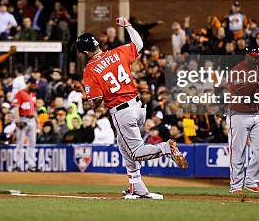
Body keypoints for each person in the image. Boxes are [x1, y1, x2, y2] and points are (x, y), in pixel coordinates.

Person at [78, 17, 187, 200]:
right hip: (137, 107)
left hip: (122, 111)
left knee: (135, 151)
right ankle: (137, 188)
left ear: (86, 51)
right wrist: (127, 25)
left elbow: (96, 101)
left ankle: (166, 148)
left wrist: (87, 98)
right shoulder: (117, 52)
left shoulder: (90, 69)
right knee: (124, 147)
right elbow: (138, 43)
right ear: (97, 44)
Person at [227, 46, 259, 193]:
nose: (257, 58)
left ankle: (251, 181)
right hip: (238, 114)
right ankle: (236, 186)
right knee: (238, 151)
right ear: (247, 55)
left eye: (258, 56)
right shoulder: (237, 70)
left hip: (256, 113)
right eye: (254, 56)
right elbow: (242, 90)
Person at [12, 77, 39, 172]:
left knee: (32, 144)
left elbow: (34, 109)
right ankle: (18, 165)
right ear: (29, 84)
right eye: (33, 84)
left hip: (32, 120)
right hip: (23, 119)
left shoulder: (33, 94)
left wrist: (38, 123)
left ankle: (31, 166)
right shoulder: (20, 93)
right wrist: (17, 120)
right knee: (20, 143)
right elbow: (16, 108)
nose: (35, 86)